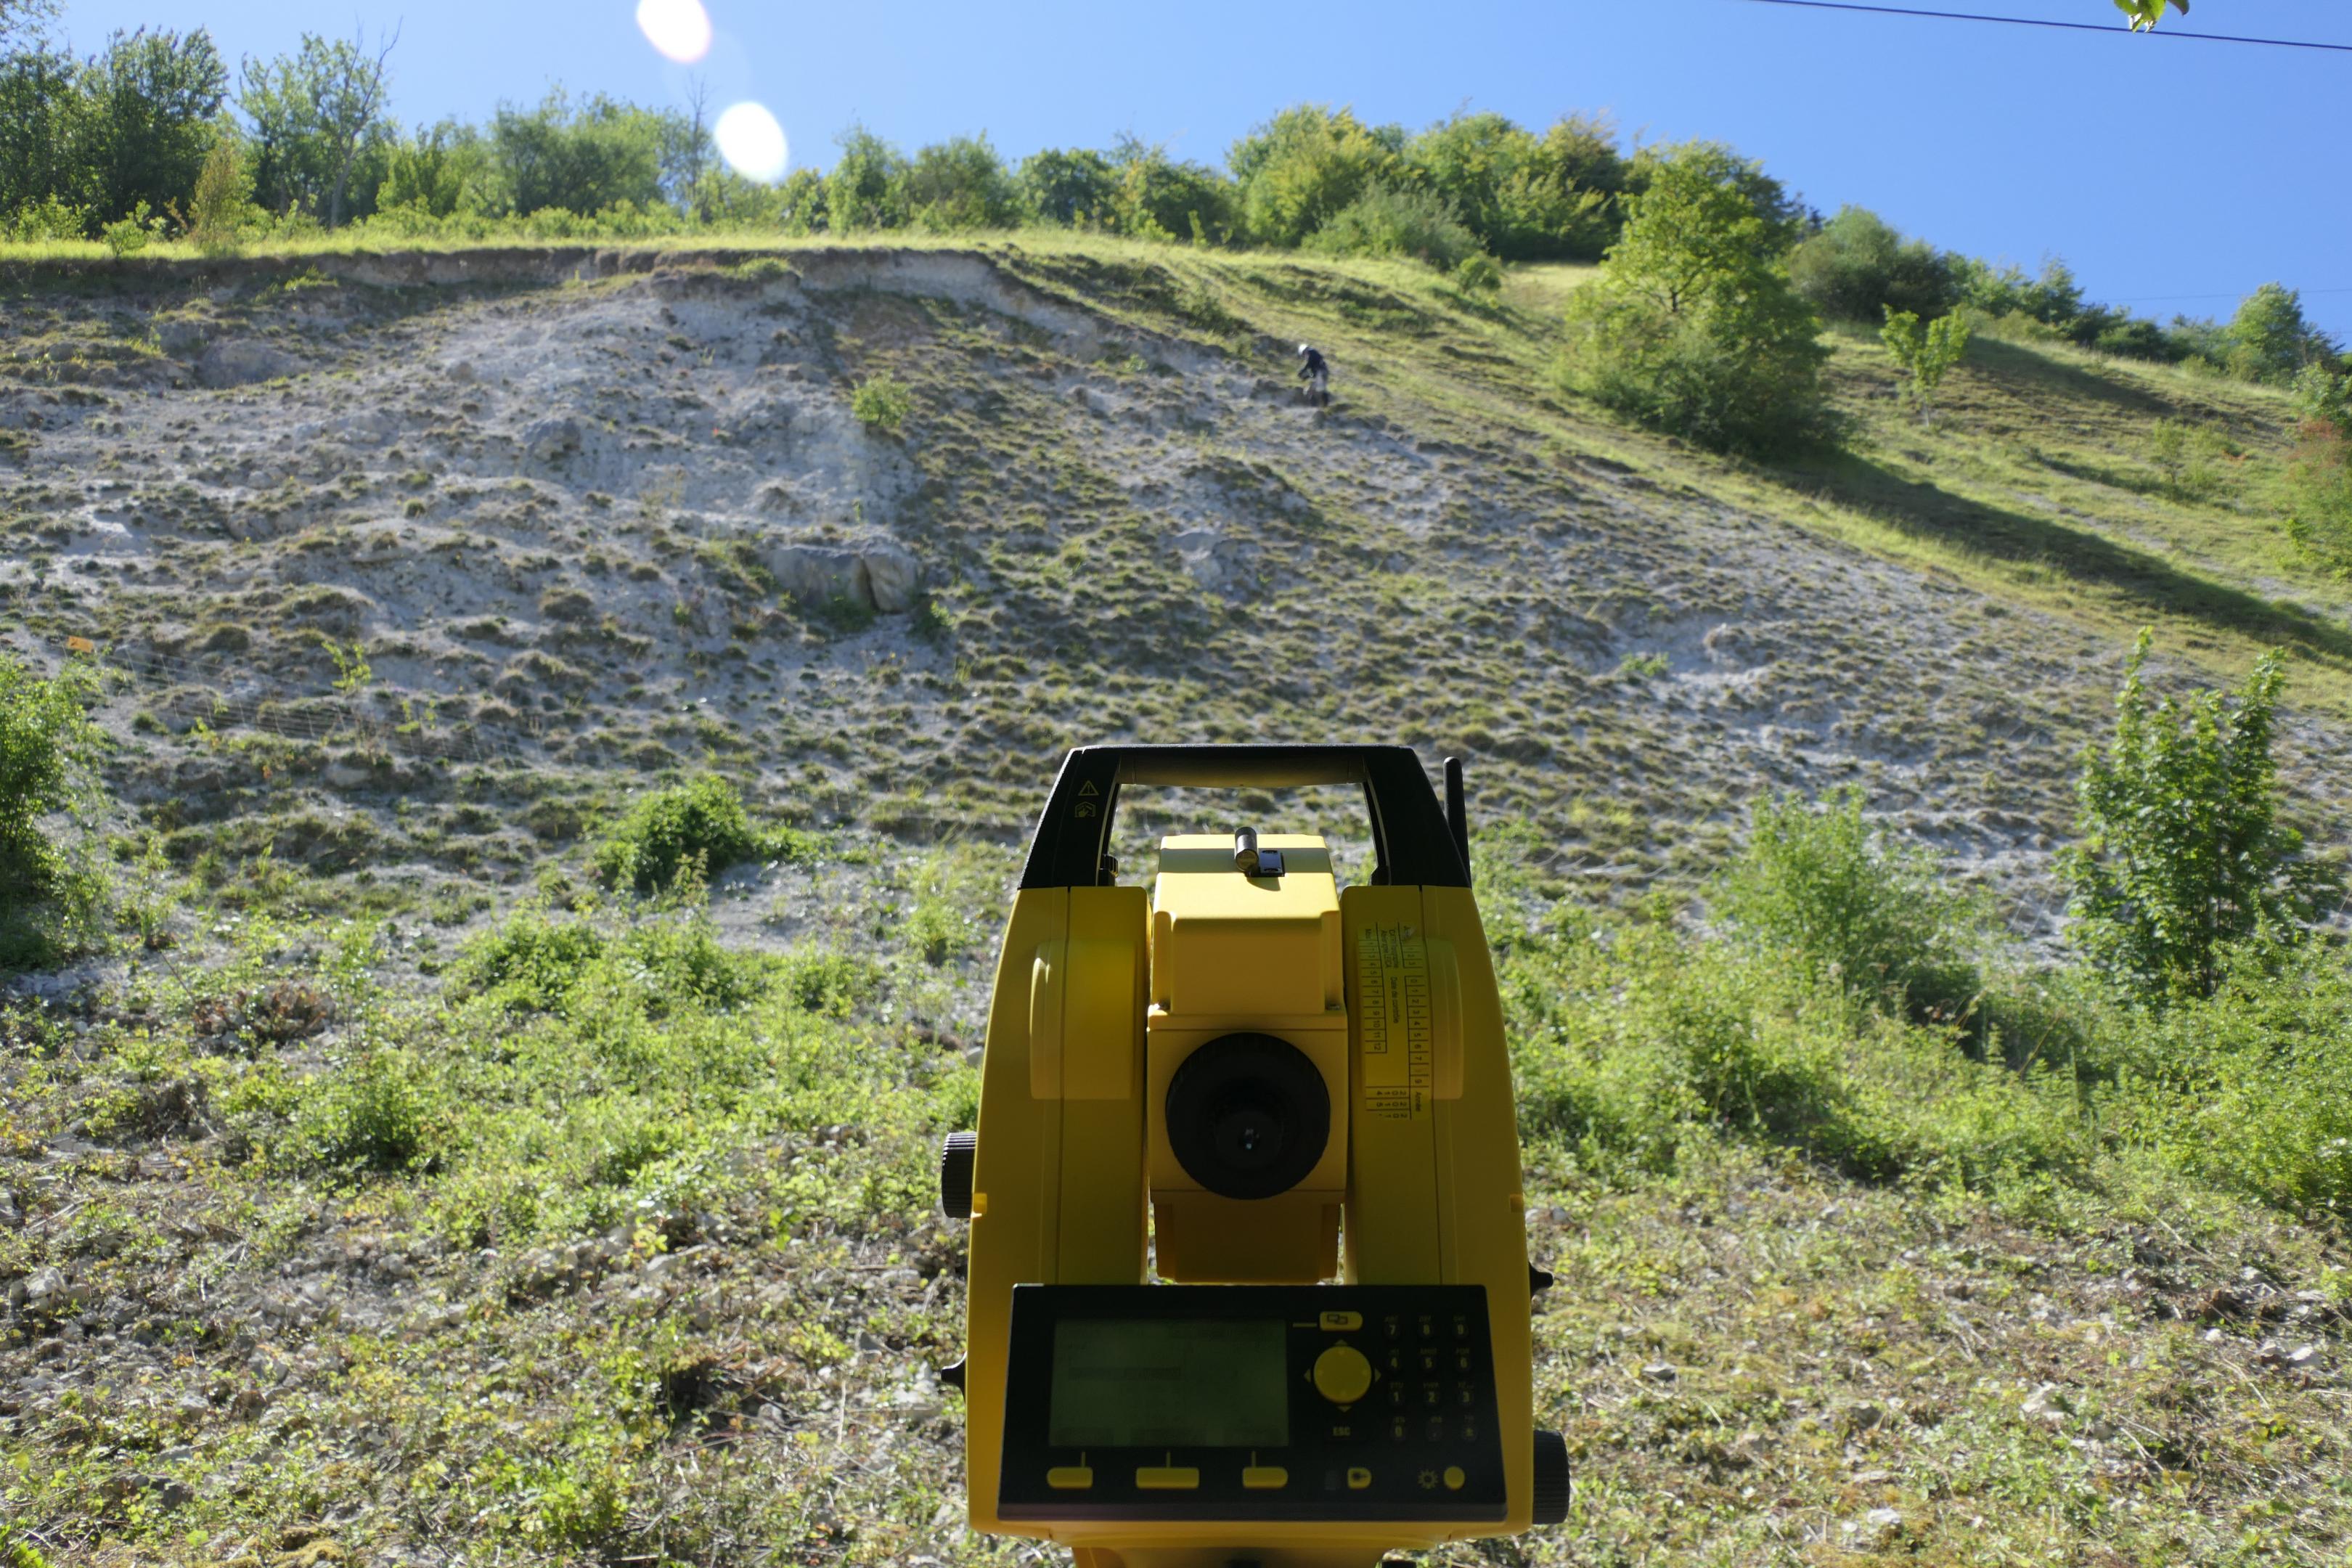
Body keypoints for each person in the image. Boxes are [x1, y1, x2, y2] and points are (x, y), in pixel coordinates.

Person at [1296, 343, 1330, 407]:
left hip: (1321, 372)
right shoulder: (1314, 355)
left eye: (1303, 354)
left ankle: (1318, 406)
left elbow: (1309, 365)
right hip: (1323, 373)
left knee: (1313, 390)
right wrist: (1306, 377)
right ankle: (1322, 406)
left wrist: (1302, 371)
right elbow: (1312, 373)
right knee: (1317, 390)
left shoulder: (1311, 352)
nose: (1304, 356)